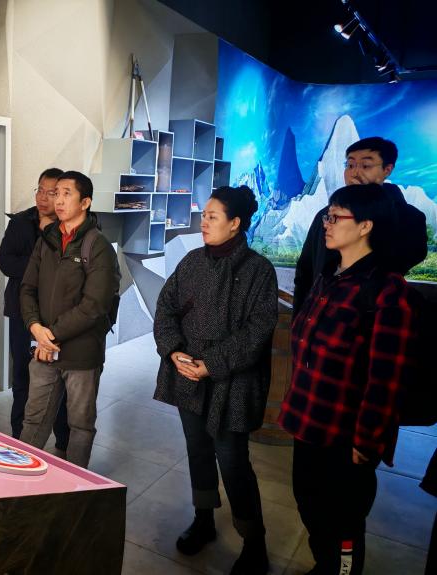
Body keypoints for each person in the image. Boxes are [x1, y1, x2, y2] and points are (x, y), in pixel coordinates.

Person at [280, 184, 416, 575]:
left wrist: (367, 439)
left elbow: (385, 379)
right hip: (308, 422)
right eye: (328, 215)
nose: (326, 223)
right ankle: (324, 565)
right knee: (310, 505)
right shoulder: (329, 277)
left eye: (336, 216)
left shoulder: (386, 292)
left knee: (343, 524)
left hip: (346, 435)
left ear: (366, 226)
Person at [153, 185, 277, 575]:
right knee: (198, 451)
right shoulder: (192, 261)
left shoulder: (258, 270)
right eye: (203, 216)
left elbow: (258, 331)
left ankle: (254, 542)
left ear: (235, 223)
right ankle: (203, 519)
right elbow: (166, 307)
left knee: (234, 462)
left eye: (212, 217)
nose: (203, 223)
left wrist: (212, 363)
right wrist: (173, 350)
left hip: (232, 383)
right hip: (188, 373)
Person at [19, 171, 120, 468]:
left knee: (80, 424)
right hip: (44, 348)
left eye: (67, 194)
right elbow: (27, 288)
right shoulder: (47, 240)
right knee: (33, 419)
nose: (58, 200)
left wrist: (49, 335)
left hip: (80, 353)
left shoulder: (97, 245)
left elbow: (93, 306)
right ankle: (20, 481)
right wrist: (35, 327)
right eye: (56, 193)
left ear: (85, 202)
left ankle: (76, 484)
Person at [293, 136, 427, 314]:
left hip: (365, 315)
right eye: (350, 165)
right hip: (317, 314)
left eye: (365, 166)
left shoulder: (408, 218)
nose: (354, 173)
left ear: (387, 169)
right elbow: (305, 271)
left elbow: (404, 261)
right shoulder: (325, 215)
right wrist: (299, 316)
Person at [0, 168, 70, 454]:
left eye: (51, 192)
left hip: (57, 316)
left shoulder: (70, 226)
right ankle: (19, 438)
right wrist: (39, 267)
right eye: (40, 190)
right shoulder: (20, 222)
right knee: (22, 375)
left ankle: (63, 442)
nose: (43, 198)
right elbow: (5, 261)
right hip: (21, 311)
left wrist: (36, 266)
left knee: (59, 377)